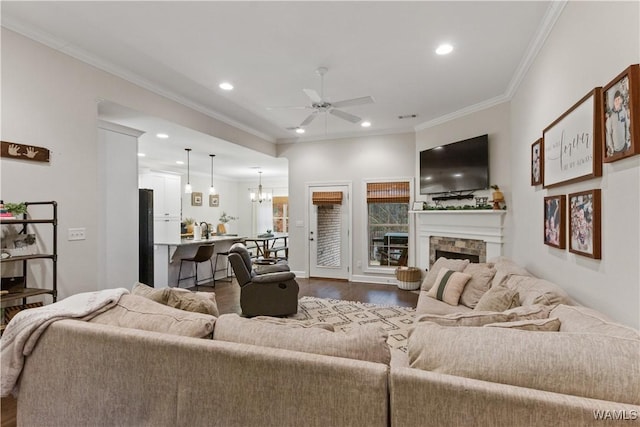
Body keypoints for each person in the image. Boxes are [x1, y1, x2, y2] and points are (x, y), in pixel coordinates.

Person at [605, 89, 631, 156]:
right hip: (616, 150)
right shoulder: (610, 116)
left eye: (618, 99)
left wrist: (626, 141)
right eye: (615, 100)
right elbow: (609, 133)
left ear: (621, 100)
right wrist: (612, 148)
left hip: (624, 145)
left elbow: (626, 126)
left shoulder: (624, 110)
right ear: (613, 102)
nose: (617, 101)